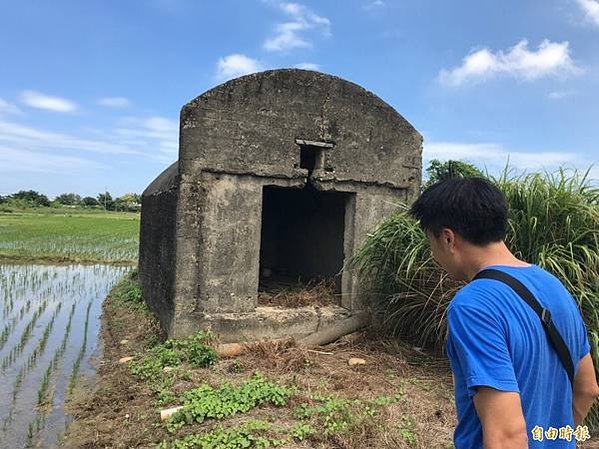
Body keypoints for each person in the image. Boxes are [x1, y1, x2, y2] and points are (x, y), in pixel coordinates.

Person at [409, 177, 599, 449]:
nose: (432, 252)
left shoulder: (473, 306)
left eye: (431, 242)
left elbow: (507, 436)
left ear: (448, 239)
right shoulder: (553, 286)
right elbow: (587, 389)